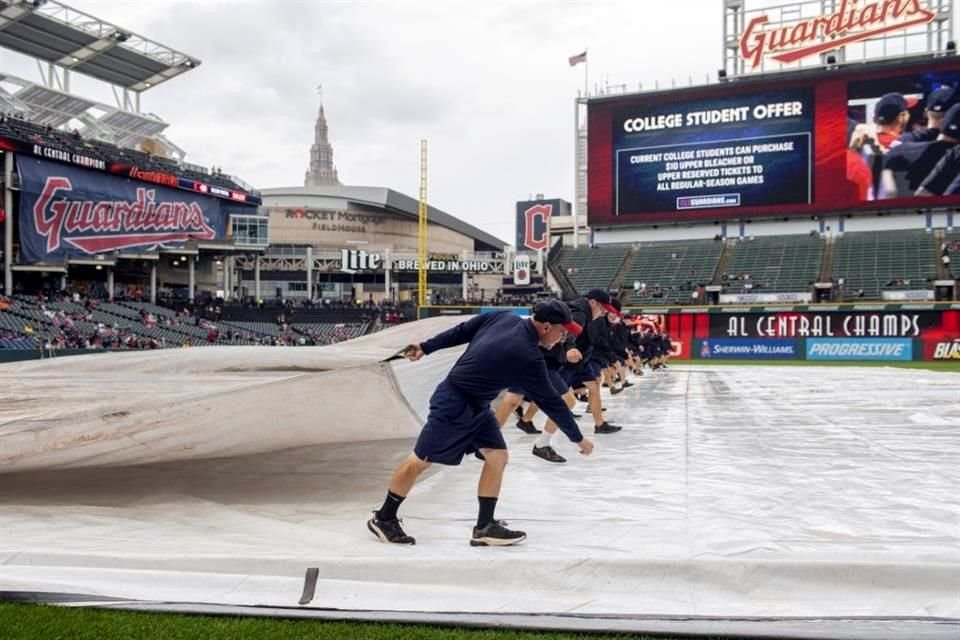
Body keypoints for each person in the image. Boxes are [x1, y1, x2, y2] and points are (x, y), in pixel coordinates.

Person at [367, 301, 595, 546]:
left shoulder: (503, 317)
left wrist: (425, 347)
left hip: (477, 405)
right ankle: (384, 517)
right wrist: (578, 439)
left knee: (497, 456)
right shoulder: (527, 355)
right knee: (419, 461)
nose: (564, 337)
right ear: (546, 327)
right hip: (454, 404)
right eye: (563, 331)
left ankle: (485, 526)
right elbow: (552, 402)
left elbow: (462, 330)